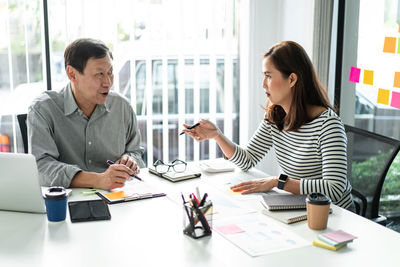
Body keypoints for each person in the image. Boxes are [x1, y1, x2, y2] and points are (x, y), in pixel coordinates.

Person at [183, 41, 354, 210]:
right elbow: (247, 160)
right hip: (300, 207)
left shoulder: (328, 125)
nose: (263, 84)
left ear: (292, 79)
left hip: (334, 215)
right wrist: (217, 135)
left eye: (269, 76)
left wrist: (277, 182)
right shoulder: (275, 116)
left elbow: (335, 189)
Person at [28, 38, 144, 190]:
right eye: (99, 74)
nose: (108, 82)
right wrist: (98, 180)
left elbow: (135, 152)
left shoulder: (122, 107)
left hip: (116, 198)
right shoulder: (43, 109)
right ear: (72, 74)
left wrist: (130, 160)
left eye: (110, 73)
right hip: (67, 203)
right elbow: (41, 167)